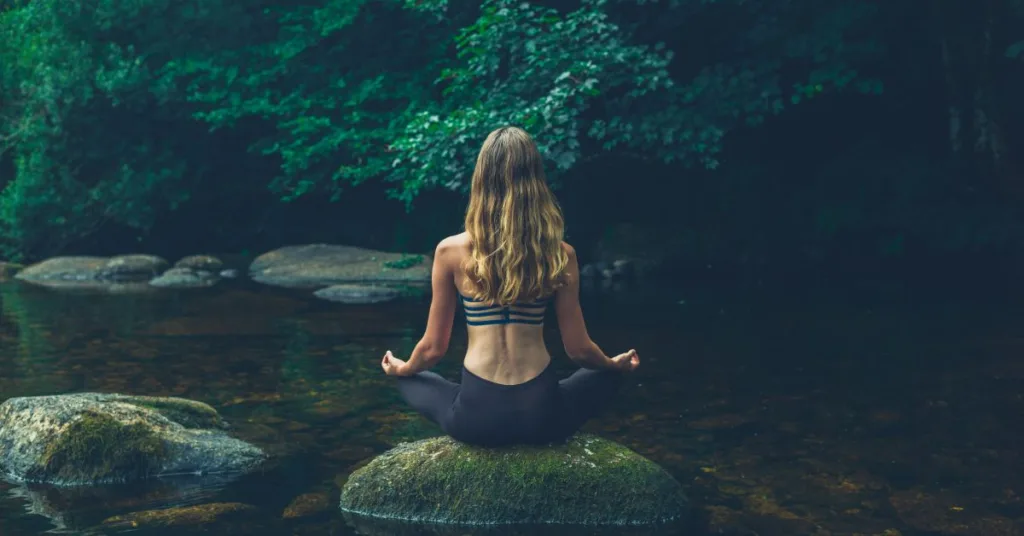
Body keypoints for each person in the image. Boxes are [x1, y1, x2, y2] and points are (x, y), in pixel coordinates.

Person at [380, 126, 640, 447]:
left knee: (411, 379)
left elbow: (433, 349)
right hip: (542, 418)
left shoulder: (449, 251)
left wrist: (403, 369)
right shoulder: (561, 254)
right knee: (608, 374)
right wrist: (613, 364)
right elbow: (580, 350)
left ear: (481, 180)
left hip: (476, 420)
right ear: (536, 182)